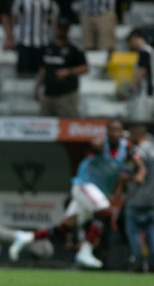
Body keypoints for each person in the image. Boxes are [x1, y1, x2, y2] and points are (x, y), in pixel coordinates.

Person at [9, 120, 147, 269]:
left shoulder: (126, 148)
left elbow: (141, 168)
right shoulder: (102, 144)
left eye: (118, 131)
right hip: (84, 185)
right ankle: (85, 251)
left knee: (66, 227)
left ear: (122, 133)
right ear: (106, 132)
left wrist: (138, 175)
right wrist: (97, 144)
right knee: (104, 211)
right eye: (111, 131)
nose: (115, 134)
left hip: (97, 193)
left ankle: (25, 237)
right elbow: (95, 144)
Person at [35, 17, 88, 118]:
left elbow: (85, 68)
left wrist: (68, 71)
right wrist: (37, 87)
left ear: (68, 30)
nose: (61, 30)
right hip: (48, 93)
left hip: (66, 94)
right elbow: (43, 69)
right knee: (43, 124)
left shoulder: (74, 48)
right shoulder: (48, 47)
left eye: (64, 28)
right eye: (60, 27)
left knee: (67, 123)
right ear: (56, 28)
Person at [124, 126, 154, 272]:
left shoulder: (136, 151)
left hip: (136, 201)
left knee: (134, 234)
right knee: (152, 236)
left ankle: (138, 264)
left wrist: (129, 176)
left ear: (136, 134)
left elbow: (133, 171)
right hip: (152, 202)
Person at [11, 0, 58, 78]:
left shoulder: (49, 2)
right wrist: (11, 37)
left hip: (43, 42)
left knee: (42, 73)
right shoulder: (21, 1)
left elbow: (53, 21)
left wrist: (54, 38)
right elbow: (14, 17)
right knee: (23, 73)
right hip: (25, 41)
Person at [126, 30, 154, 122]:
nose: (130, 46)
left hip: (146, 90)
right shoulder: (150, 50)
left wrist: (132, 89)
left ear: (135, 39)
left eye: (130, 42)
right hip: (150, 89)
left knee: (143, 118)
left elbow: (142, 71)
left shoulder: (144, 52)